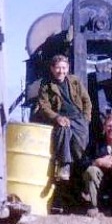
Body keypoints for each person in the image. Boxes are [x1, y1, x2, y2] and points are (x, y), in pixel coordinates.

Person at [36, 54, 92, 182]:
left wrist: (86, 118)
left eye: (64, 68)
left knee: (81, 149)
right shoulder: (46, 85)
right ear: (52, 69)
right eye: (58, 68)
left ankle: (83, 173)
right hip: (62, 118)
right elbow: (44, 106)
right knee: (63, 130)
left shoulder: (74, 81)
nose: (61, 71)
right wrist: (57, 117)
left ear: (67, 68)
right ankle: (63, 165)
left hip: (78, 118)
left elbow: (86, 100)